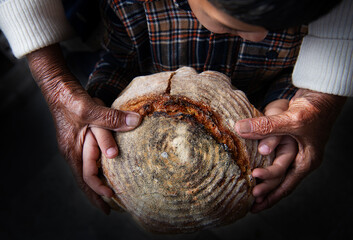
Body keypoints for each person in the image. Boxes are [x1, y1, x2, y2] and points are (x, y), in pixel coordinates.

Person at [0, 0, 351, 214]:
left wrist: (286, 99)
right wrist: (100, 101)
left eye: (273, 28)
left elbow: (290, 68)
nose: (260, 36)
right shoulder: (133, 5)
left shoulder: (300, 9)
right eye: (232, 23)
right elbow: (119, 59)